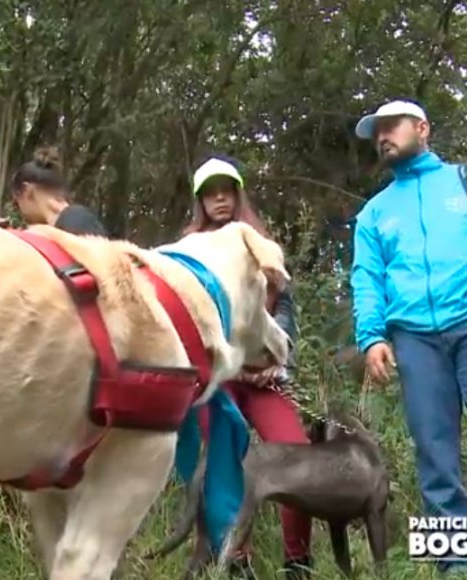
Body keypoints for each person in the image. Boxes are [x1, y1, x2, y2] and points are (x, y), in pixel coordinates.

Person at [350, 99, 467, 578]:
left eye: (391, 127)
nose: (382, 137)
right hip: (414, 338)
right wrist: (372, 336)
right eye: (376, 132)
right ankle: (455, 562)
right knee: (433, 450)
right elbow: (367, 279)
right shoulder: (375, 213)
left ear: (422, 128)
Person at [182, 156, 313, 579]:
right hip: (220, 380)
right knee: (224, 465)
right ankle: (236, 562)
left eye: (227, 190)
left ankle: (298, 562)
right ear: (200, 202)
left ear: (238, 195)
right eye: (210, 192)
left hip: (265, 378)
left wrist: (280, 362)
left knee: (296, 458)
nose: (219, 198)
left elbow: (285, 307)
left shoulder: (262, 245)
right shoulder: (188, 253)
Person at [9, 147, 108, 237]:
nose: (20, 211)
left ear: (27, 192)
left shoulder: (76, 223)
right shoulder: (77, 221)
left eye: (17, 203)